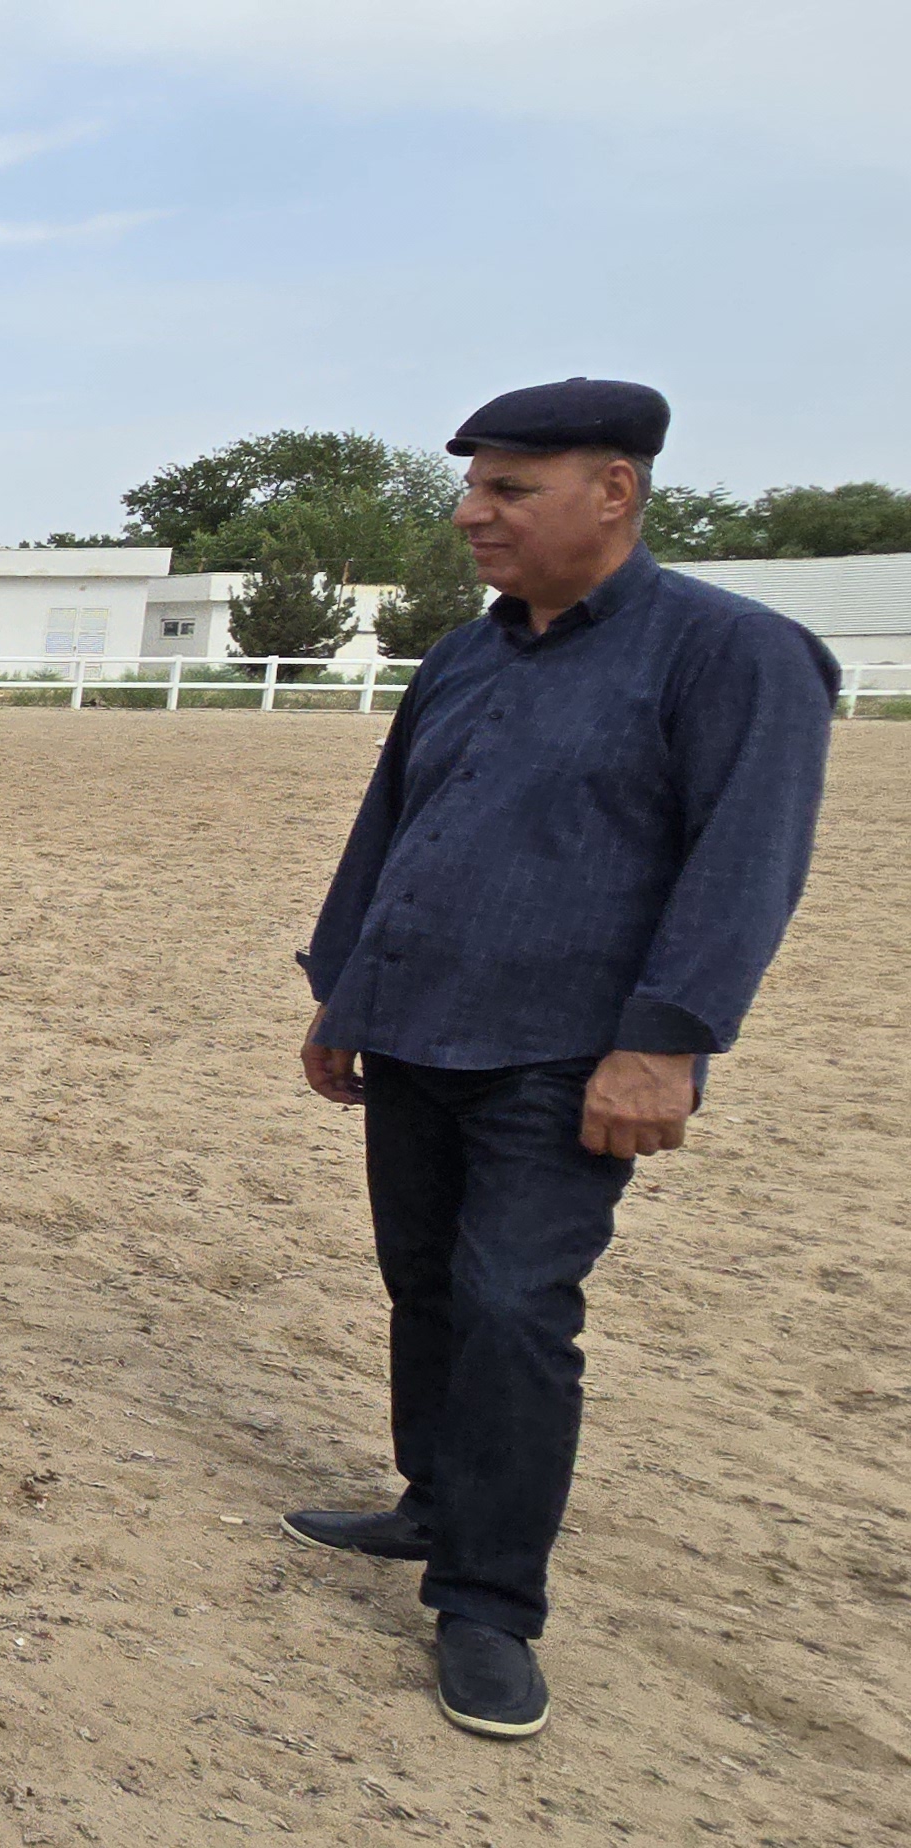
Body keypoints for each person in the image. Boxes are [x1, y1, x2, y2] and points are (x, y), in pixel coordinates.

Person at [284, 378, 838, 1740]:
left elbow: (745, 864)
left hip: (565, 1052)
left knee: (515, 1307)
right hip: (414, 1024)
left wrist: (664, 1043)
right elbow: (390, 829)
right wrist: (344, 991)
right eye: (472, 487)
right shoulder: (463, 658)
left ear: (615, 490)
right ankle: (435, 1502)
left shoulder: (733, 654)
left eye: (509, 490)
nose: (472, 515)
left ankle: (489, 1604)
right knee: (424, 1282)